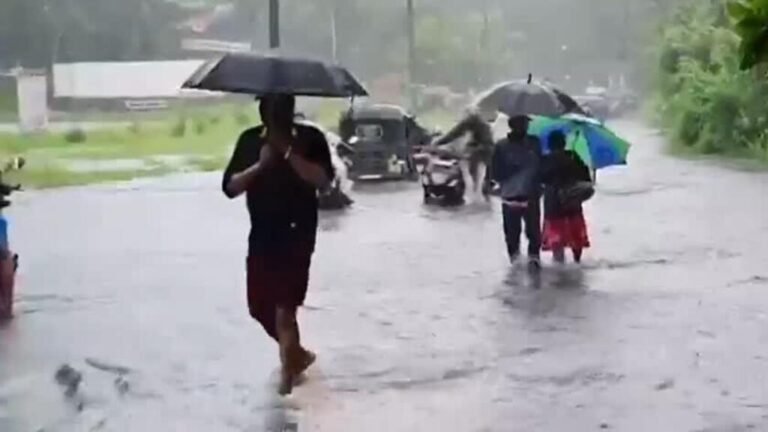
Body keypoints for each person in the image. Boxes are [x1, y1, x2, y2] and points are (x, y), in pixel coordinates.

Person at [222, 94, 334, 395]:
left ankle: (287, 383)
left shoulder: (310, 138)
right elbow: (230, 187)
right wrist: (260, 166)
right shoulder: (249, 141)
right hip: (262, 234)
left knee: (285, 309)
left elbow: (323, 179)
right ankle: (296, 355)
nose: (273, 114)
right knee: (259, 306)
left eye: (279, 108)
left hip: (298, 234)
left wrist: (288, 154)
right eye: (268, 108)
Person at [490, 115, 543, 269]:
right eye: (524, 124)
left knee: (532, 231)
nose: (526, 127)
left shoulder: (534, 143)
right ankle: (516, 262)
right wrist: (514, 168)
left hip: (529, 194)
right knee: (513, 233)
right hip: (511, 195)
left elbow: (542, 165)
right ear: (515, 126)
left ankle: (533, 259)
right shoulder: (502, 146)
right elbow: (495, 172)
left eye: (526, 124)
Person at [540, 130, 593, 264]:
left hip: (553, 204)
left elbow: (540, 179)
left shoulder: (545, 160)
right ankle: (577, 261)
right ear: (564, 143)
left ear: (550, 145)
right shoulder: (573, 156)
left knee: (556, 238)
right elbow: (586, 178)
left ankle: (559, 265)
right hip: (572, 202)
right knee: (576, 235)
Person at [434, 106, 496, 199]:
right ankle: (475, 196)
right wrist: (438, 142)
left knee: (473, 177)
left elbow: (487, 144)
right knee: (473, 178)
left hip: (481, 154)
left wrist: (472, 151)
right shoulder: (472, 124)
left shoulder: (480, 126)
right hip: (476, 154)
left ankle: (474, 196)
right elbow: (452, 134)